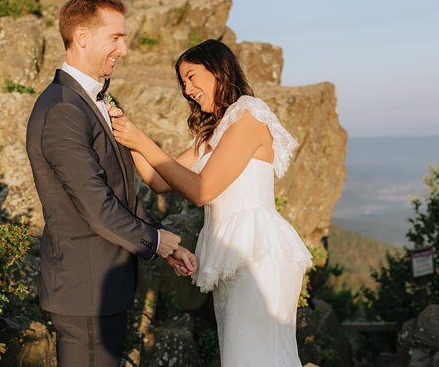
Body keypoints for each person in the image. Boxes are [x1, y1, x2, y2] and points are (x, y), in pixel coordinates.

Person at [111, 39, 313, 366]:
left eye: (192, 77)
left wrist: (141, 140)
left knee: (257, 357)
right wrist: (129, 137)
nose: (187, 89)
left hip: (258, 254)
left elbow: (203, 190)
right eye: (183, 82)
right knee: (241, 356)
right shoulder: (214, 133)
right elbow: (159, 179)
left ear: (218, 70)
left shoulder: (248, 118)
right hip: (235, 253)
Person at [25, 0, 196, 367]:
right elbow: (96, 207)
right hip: (84, 290)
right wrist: (155, 242)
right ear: (82, 38)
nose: (125, 49)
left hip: (102, 288)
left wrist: (164, 242)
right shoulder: (62, 111)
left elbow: (119, 195)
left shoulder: (86, 103)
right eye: (116, 38)